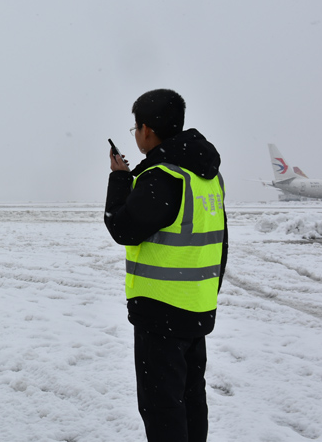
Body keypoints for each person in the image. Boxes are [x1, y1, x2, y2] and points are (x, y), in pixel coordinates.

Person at [104, 89, 227, 442]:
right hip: (197, 306)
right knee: (190, 398)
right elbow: (221, 243)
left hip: (161, 312)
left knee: (162, 407)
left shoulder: (163, 176)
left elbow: (123, 227)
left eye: (136, 129)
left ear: (147, 129)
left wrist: (119, 179)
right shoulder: (206, 176)